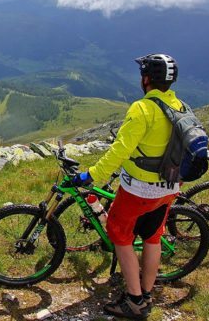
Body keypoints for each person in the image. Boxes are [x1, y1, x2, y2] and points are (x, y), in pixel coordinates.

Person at [72, 53, 183, 320]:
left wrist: (92, 175)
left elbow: (119, 151)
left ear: (146, 79)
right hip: (169, 188)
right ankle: (146, 293)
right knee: (153, 236)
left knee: (119, 235)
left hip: (140, 190)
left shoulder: (142, 109)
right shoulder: (179, 106)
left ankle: (134, 300)